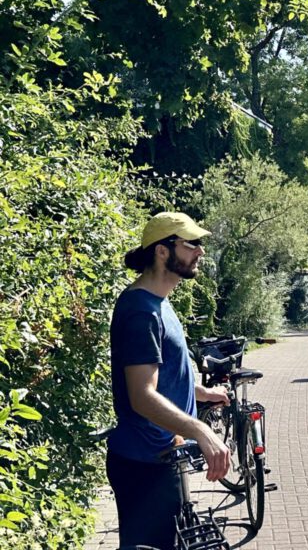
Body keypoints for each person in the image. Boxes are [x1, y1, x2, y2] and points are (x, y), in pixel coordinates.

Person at [106, 212, 231, 550]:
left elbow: (163, 379)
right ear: (162, 251)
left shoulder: (160, 303)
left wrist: (201, 392)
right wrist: (202, 430)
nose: (200, 252)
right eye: (192, 244)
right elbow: (142, 396)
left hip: (162, 458)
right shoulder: (141, 312)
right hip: (144, 466)